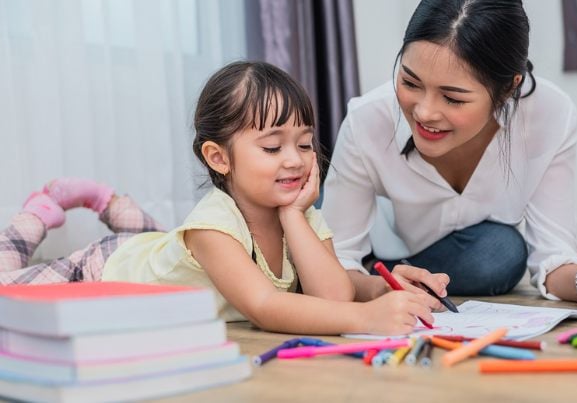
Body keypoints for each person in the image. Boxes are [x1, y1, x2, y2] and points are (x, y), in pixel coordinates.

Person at [322, 0, 577, 321]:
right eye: (410, 81)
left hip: (462, 252)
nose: (424, 112)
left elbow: (553, 251)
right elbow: (337, 258)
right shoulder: (367, 120)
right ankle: (386, 274)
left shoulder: (550, 115)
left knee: (501, 253)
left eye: (452, 98)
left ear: (509, 88)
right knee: (308, 235)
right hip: (380, 248)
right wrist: (376, 289)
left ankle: (408, 280)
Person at [0, 61, 435, 335]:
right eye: (272, 147)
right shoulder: (214, 225)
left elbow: (331, 295)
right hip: (98, 272)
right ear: (218, 157)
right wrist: (364, 319)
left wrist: (381, 286)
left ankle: (104, 198)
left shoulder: (297, 213)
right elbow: (265, 307)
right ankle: (39, 211)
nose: (295, 161)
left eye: (304, 145)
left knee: (157, 241)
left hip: (161, 260)